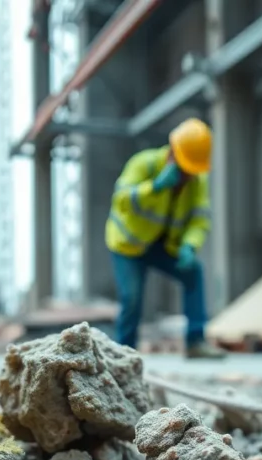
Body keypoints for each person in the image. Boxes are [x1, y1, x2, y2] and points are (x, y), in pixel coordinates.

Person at [105, 117, 226, 359]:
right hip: (129, 244)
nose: (186, 176)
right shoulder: (144, 164)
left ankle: (195, 342)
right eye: (183, 169)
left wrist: (190, 246)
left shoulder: (196, 181)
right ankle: (123, 355)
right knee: (132, 298)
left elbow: (199, 219)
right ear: (172, 153)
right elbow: (121, 199)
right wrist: (155, 187)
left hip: (163, 246)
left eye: (191, 172)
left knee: (193, 273)